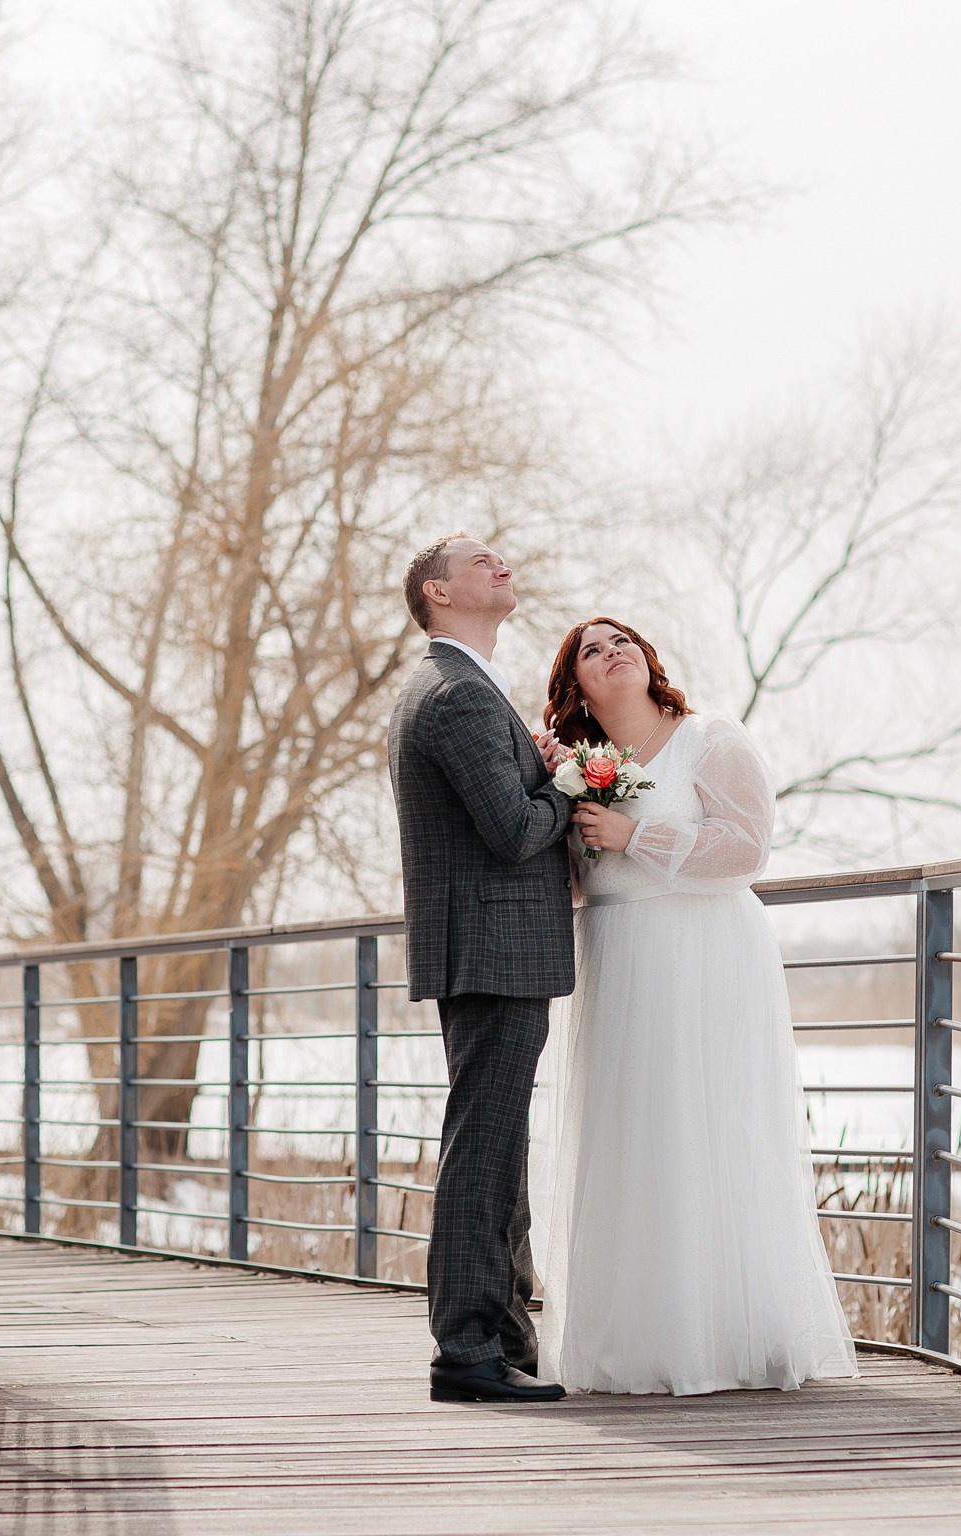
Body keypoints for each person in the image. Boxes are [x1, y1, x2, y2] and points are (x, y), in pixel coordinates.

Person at [533, 616, 858, 1394]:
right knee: (631, 1134)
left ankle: (733, 1337)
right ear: (574, 686)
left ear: (648, 660)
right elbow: (576, 880)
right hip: (617, 956)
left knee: (713, 1124)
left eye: (622, 641)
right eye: (590, 649)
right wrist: (551, 790)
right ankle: (638, 1341)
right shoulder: (580, 768)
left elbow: (746, 848)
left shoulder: (710, 740)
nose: (610, 652)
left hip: (707, 952)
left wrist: (632, 835)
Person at [385, 534, 573, 1404]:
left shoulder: (464, 687)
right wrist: (569, 787)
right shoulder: (456, 695)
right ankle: (463, 1353)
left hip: (493, 951)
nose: (503, 565)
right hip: (493, 952)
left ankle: (504, 1338)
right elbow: (514, 832)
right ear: (439, 592)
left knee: (496, 1153)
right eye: (481, 561)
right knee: (482, 1155)